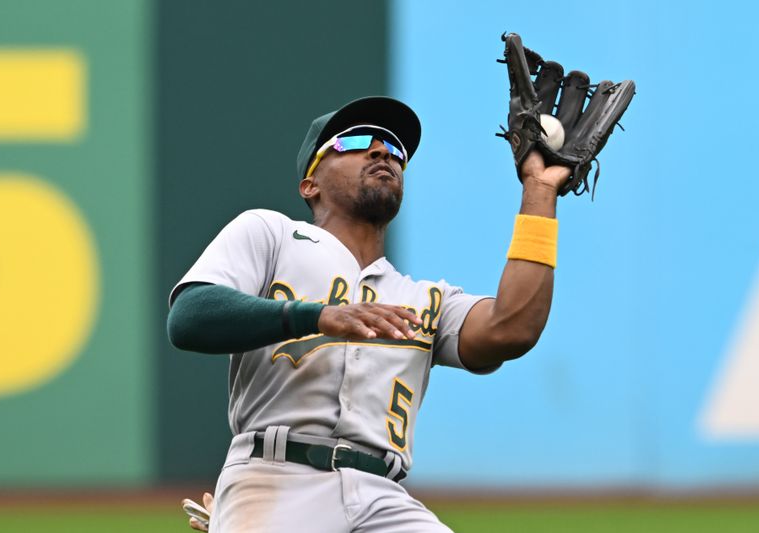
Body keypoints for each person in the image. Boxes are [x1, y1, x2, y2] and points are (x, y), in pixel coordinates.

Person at [168, 96, 571, 532]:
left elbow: (512, 328)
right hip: (276, 478)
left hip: (383, 495)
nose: (382, 151)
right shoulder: (272, 235)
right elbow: (190, 315)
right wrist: (317, 317)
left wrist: (539, 191)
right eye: (357, 141)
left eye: (395, 150)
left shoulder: (423, 299)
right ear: (310, 184)